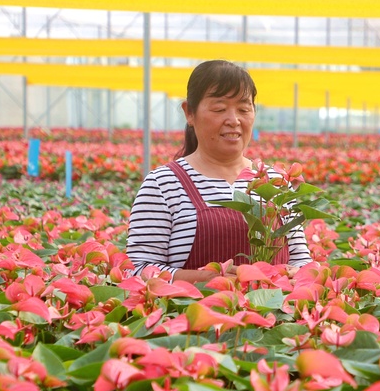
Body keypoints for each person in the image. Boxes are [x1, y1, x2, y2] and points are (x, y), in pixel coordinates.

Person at [126, 60, 312, 282]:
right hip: (192, 313)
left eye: (244, 109)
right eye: (219, 109)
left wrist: (297, 275)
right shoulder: (163, 184)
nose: (233, 120)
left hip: (274, 314)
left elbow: (301, 260)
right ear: (189, 113)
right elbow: (139, 271)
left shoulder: (276, 182)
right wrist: (206, 279)